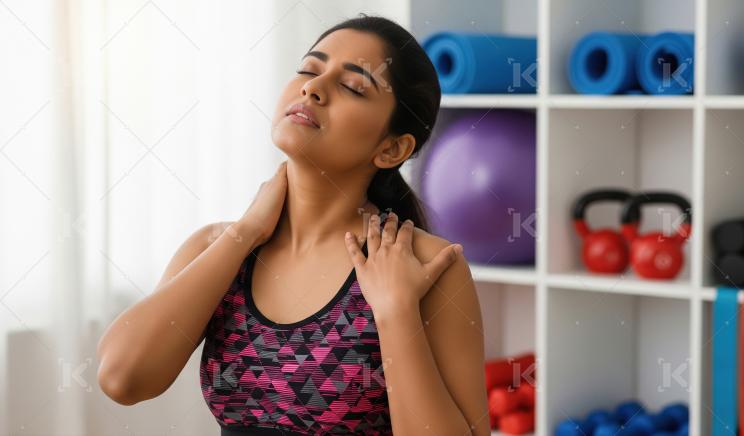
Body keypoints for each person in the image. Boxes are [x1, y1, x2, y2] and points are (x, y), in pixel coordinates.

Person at [97, 13, 490, 436]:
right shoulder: (218, 247)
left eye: (353, 86)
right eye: (309, 69)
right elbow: (122, 379)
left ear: (392, 148)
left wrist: (395, 312)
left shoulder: (425, 265)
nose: (313, 88)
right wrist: (245, 233)